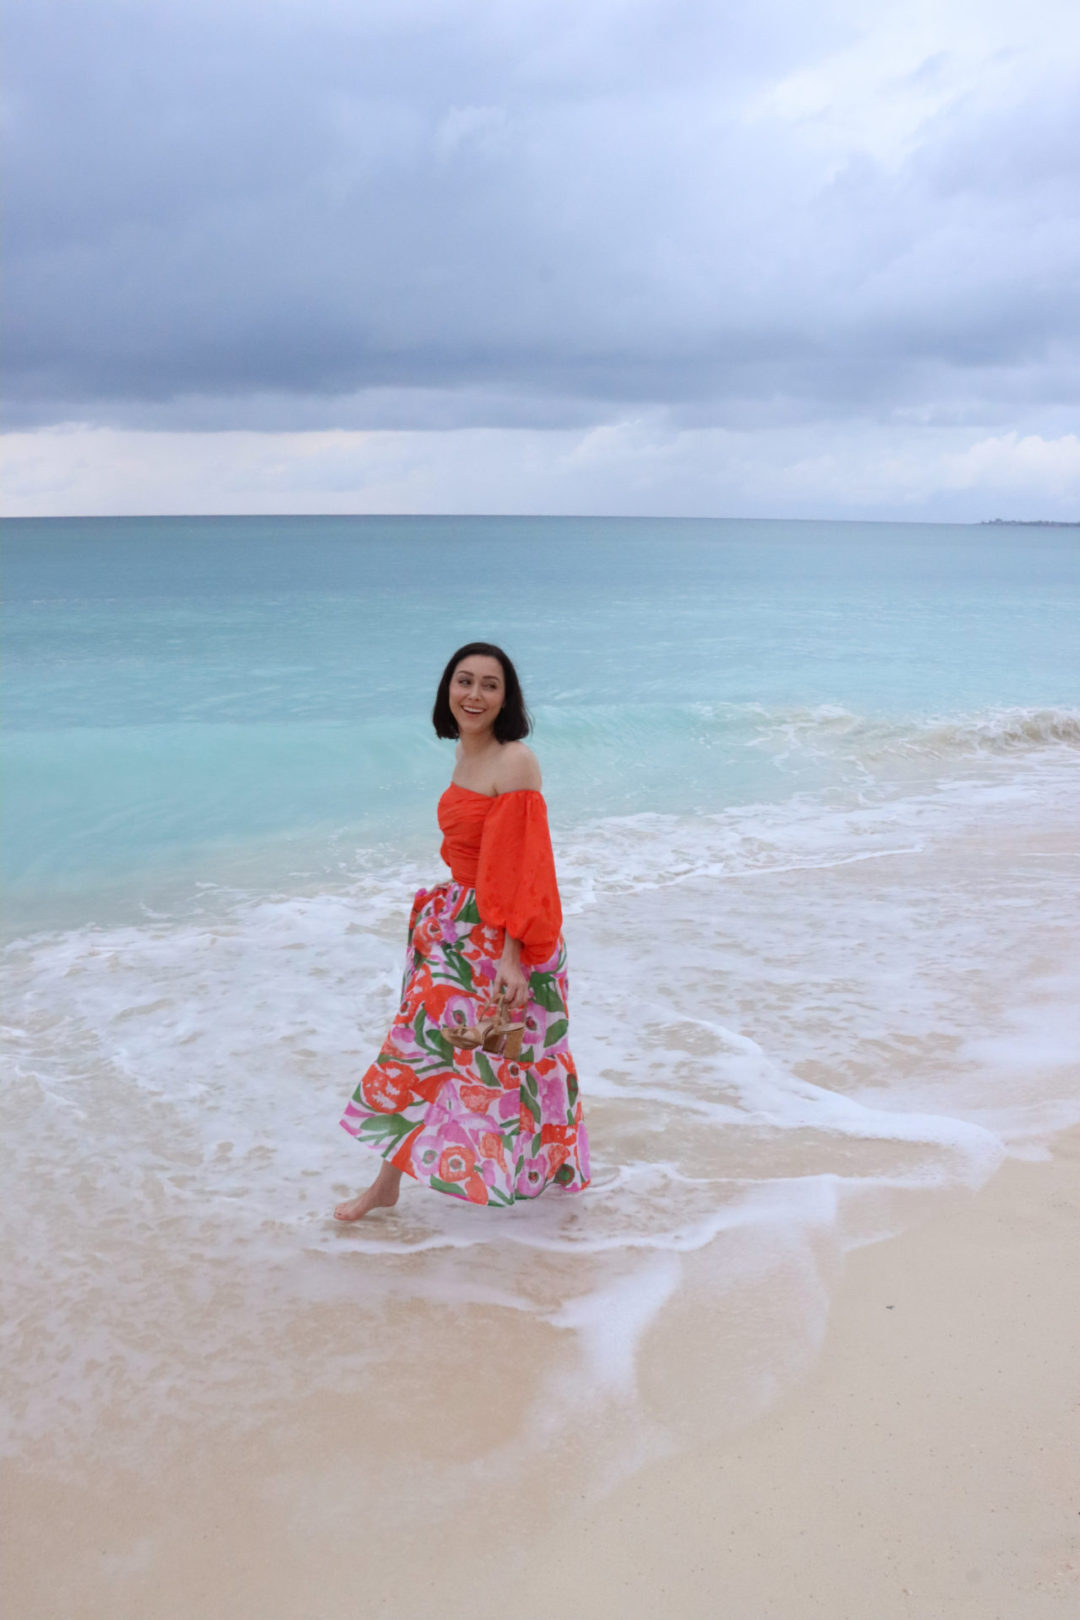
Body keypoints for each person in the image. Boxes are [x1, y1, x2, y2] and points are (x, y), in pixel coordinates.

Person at [334, 642, 590, 1220]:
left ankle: (550, 1179)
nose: (474, 695)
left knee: (518, 1060)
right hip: (460, 932)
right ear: (448, 689)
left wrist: (512, 956)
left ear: (507, 698)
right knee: (423, 1050)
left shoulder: (514, 762)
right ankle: (388, 1184)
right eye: (464, 681)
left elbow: (524, 868)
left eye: (489, 685)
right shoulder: (464, 758)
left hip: (503, 939)